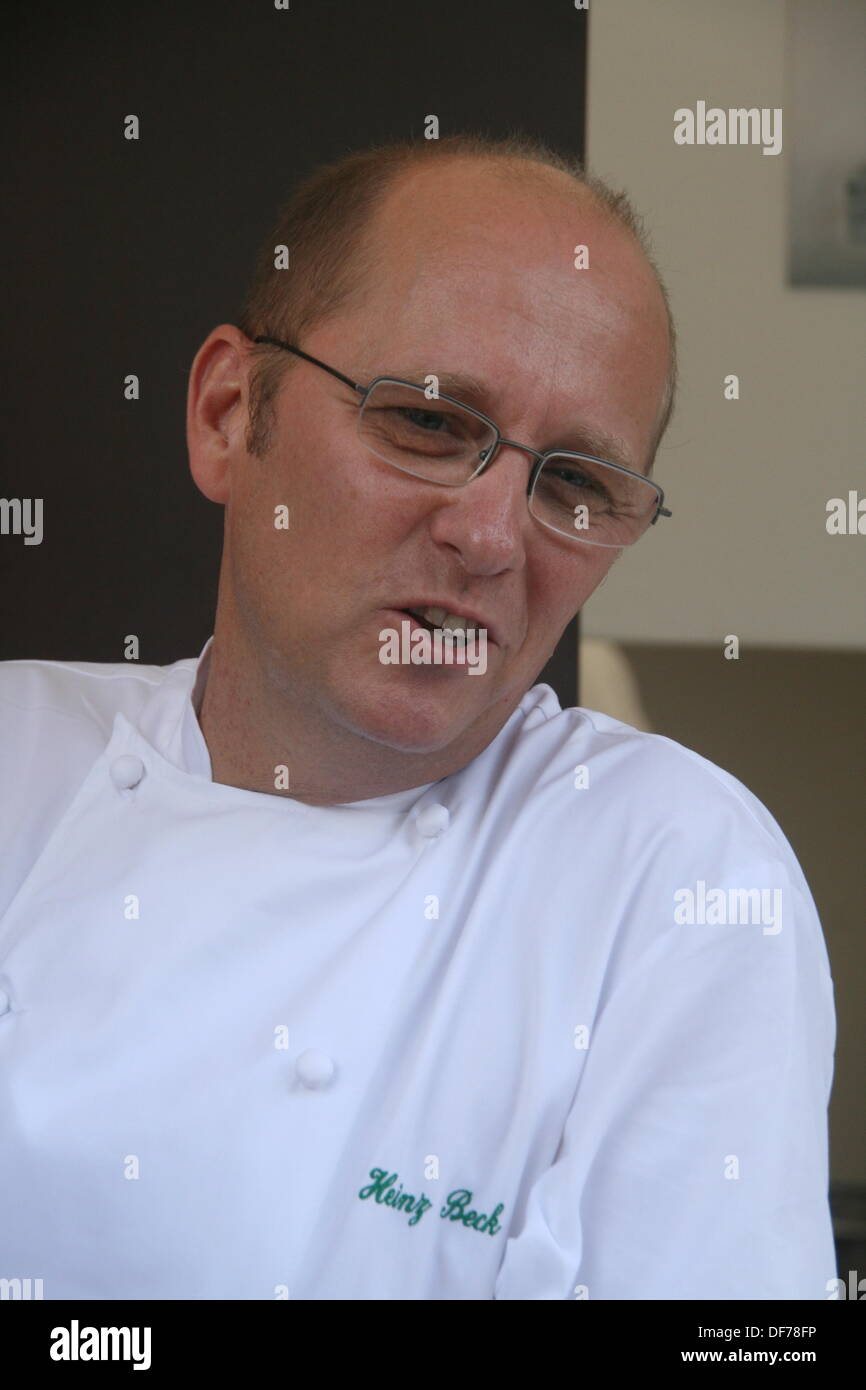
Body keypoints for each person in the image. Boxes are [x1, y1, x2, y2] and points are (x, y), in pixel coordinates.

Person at [0, 133, 835, 1300]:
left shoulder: (670, 873)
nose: (491, 538)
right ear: (231, 413)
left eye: (576, 484)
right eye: (430, 423)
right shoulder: (18, 756)